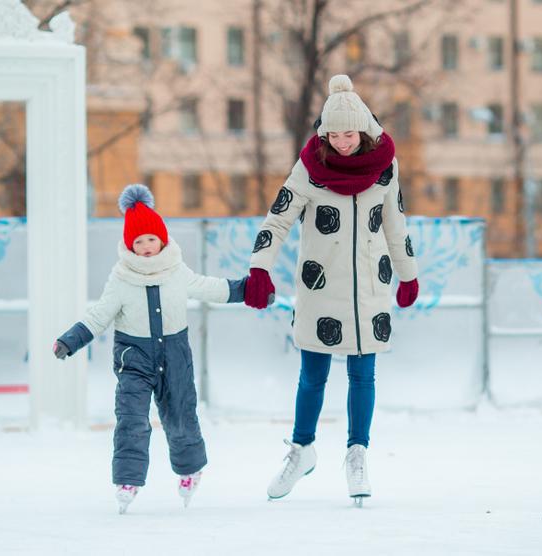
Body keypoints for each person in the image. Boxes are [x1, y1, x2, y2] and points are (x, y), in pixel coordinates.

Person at [244, 74, 419, 507]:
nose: (341, 143)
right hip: (319, 285)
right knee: (313, 375)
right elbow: (278, 219)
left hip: (368, 288)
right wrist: (259, 268)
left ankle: (357, 454)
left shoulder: (385, 168)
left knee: (363, 375)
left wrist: (408, 273)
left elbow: (395, 223)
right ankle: (302, 449)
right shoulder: (310, 169)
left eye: (349, 134)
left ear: (363, 131)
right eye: (333, 135)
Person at [52, 184, 247, 514]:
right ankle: (127, 480)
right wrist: (71, 340)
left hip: (175, 357)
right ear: (130, 245)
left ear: (162, 240)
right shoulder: (121, 278)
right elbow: (100, 314)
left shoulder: (177, 271)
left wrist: (248, 290)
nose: (145, 247)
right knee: (131, 419)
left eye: (151, 239)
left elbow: (209, 287)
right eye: (138, 241)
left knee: (181, 416)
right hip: (134, 359)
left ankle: (189, 470)